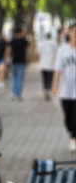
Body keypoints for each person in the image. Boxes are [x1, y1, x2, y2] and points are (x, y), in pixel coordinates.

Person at [51, 22, 76, 152]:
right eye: (73, 32)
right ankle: (71, 132)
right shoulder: (63, 49)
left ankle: (73, 138)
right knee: (68, 116)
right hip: (66, 89)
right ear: (69, 33)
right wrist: (54, 85)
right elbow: (57, 69)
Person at [5, 27, 29, 101]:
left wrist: (6, 59)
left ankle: (14, 93)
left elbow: (8, 50)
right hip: (22, 62)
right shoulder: (24, 41)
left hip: (14, 61)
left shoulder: (12, 41)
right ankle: (18, 94)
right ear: (20, 32)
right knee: (19, 78)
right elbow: (28, 50)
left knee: (14, 78)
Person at [37, 32, 58, 101]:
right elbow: (56, 54)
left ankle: (45, 90)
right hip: (51, 64)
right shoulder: (54, 43)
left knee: (44, 78)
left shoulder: (41, 43)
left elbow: (38, 53)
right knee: (50, 79)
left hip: (43, 64)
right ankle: (48, 90)